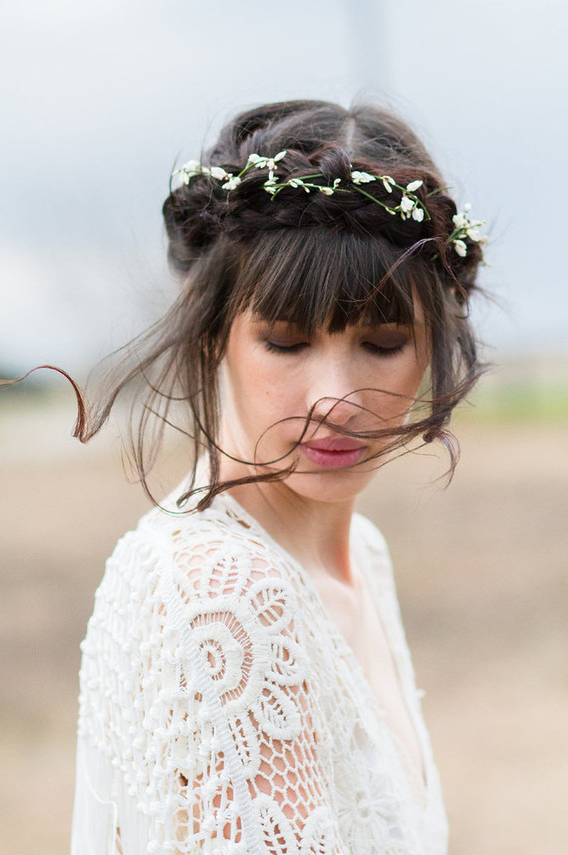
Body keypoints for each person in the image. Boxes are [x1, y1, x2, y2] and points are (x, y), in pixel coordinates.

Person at [70, 99, 485, 855]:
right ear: (213, 333)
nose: (336, 399)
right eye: (286, 341)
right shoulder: (224, 592)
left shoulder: (363, 553)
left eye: (383, 341)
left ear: (433, 343)